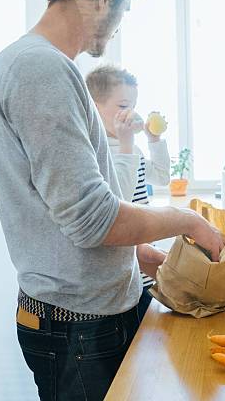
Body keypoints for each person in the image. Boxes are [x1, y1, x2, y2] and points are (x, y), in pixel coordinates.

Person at [0, 0, 225, 400]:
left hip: (87, 319)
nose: (121, 23)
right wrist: (189, 220)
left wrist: (142, 257)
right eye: (123, 9)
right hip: (80, 327)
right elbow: (93, 219)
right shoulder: (39, 69)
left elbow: (64, 215)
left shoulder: (44, 66)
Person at [86, 65, 170, 318]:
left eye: (132, 105)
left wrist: (153, 140)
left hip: (143, 263)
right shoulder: (98, 151)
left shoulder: (131, 149)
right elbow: (116, 198)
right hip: (126, 263)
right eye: (123, 106)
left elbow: (162, 176)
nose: (130, 113)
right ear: (93, 107)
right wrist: (126, 144)